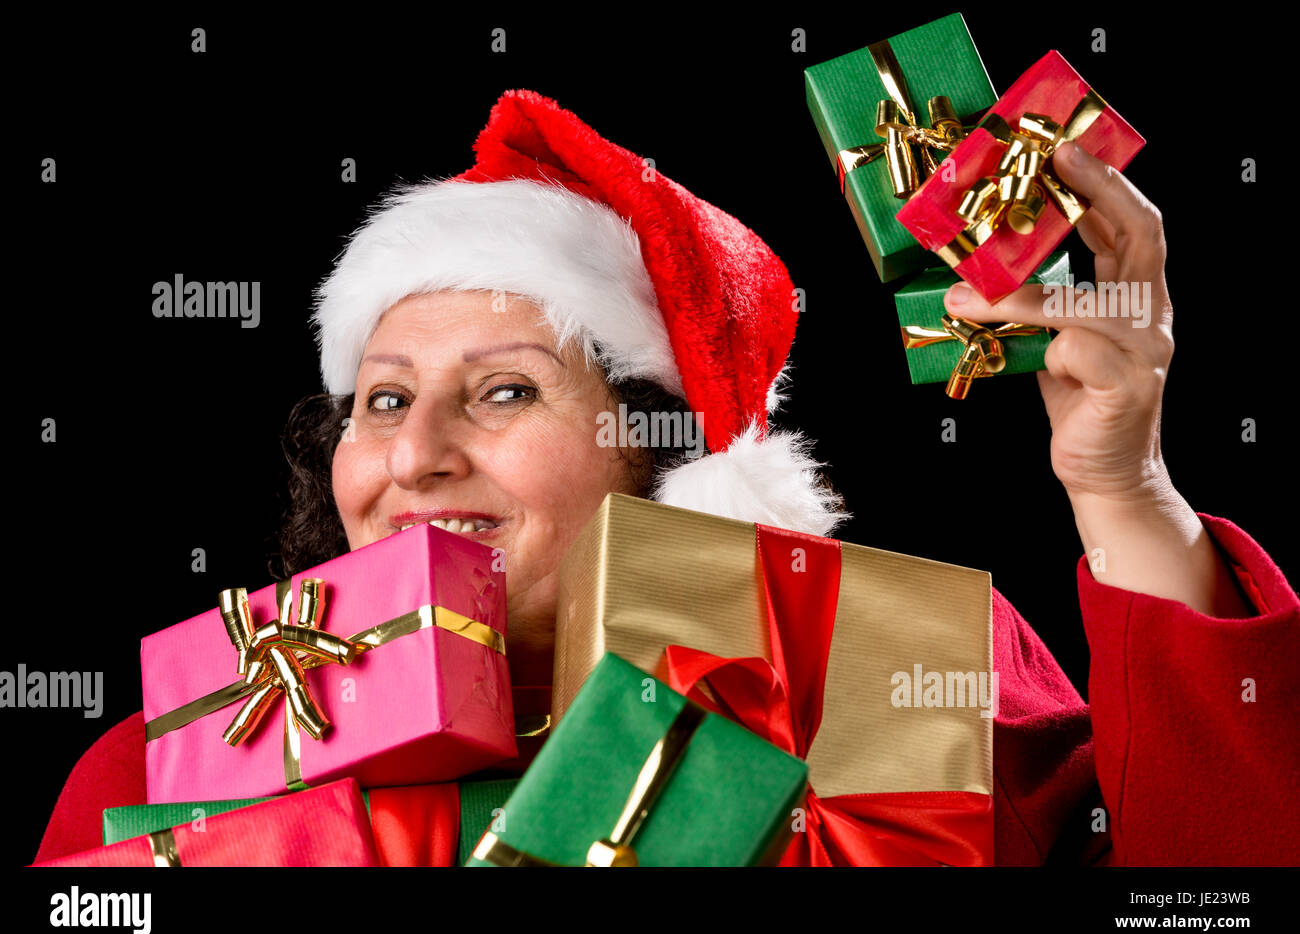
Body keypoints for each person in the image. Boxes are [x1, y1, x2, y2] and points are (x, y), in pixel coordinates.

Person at [34, 90, 1299, 866]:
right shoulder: (161, 768)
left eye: (506, 391)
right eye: (383, 399)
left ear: (665, 444)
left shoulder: (899, 667)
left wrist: (1124, 495)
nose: (415, 455)